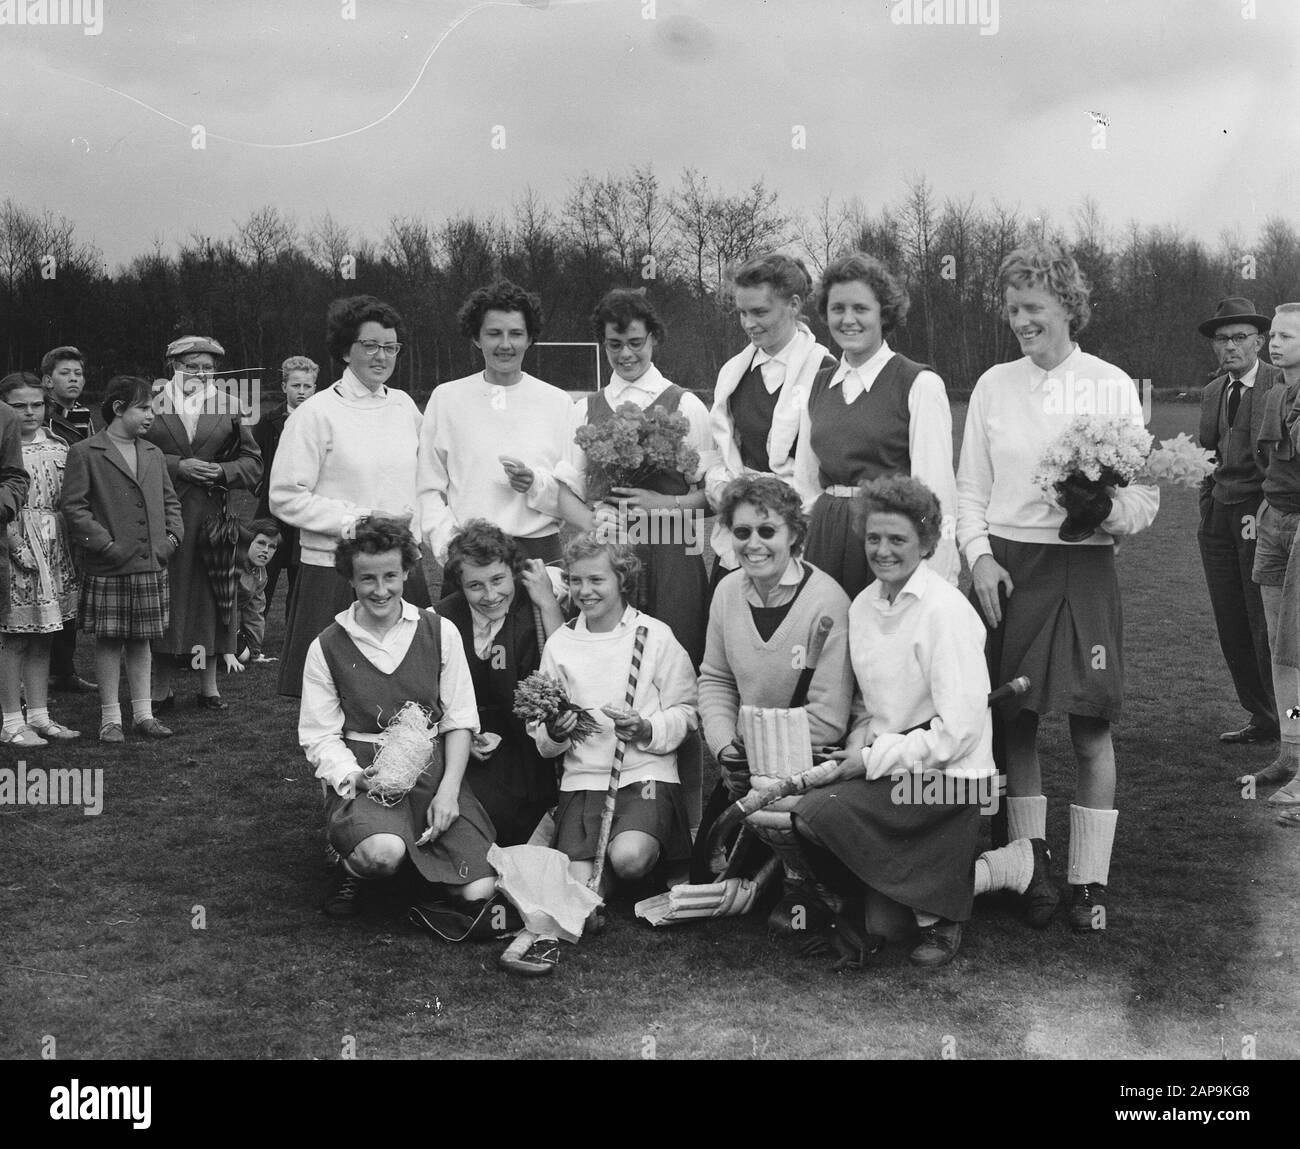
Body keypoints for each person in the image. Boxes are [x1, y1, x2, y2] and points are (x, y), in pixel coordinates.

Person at [957, 243, 1159, 932]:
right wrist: (980, 558)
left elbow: (1145, 501)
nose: (1021, 320)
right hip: (1010, 569)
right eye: (1013, 308)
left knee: (1089, 724)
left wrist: (1105, 510)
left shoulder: (1110, 383)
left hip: (1084, 569)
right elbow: (969, 493)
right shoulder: (992, 384)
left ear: (1068, 307)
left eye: (1034, 307)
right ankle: (1031, 867)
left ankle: (1088, 882)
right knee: (1016, 721)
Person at [790, 477, 1057, 968]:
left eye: (898, 540)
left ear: (928, 543)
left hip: (952, 784)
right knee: (884, 927)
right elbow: (870, 710)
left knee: (822, 812)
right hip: (896, 770)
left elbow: (959, 733)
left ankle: (950, 911)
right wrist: (857, 748)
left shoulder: (946, 611)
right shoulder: (863, 607)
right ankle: (1005, 867)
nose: (883, 551)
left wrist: (871, 759)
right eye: (874, 538)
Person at [299, 518, 497, 919]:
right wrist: (355, 777)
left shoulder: (440, 631)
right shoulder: (326, 646)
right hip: (369, 775)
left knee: (480, 891)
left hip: (432, 773)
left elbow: (459, 719)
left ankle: (408, 877)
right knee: (382, 855)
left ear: (407, 571)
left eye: (391, 575)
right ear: (351, 579)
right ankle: (354, 864)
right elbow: (319, 736)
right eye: (367, 578)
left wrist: (448, 792)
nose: (381, 589)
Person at [529, 534, 698, 969]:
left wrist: (646, 727)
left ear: (622, 578)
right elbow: (541, 735)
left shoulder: (654, 636)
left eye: (597, 579)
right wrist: (557, 732)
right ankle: (599, 884)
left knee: (629, 860)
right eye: (576, 580)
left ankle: (648, 861)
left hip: (644, 775)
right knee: (578, 891)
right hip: (584, 781)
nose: (585, 591)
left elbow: (686, 711)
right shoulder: (559, 645)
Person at [697, 473, 854, 925]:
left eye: (768, 531)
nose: (754, 544)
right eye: (742, 532)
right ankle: (774, 871)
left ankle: (809, 880)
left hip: (808, 766)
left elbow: (827, 720)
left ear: (795, 535)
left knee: (783, 893)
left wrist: (756, 751)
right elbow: (715, 680)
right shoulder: (727, 591)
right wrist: (726, 747)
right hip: (743, 765)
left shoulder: (827, 601)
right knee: (703, 872)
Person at [548, 288, 719, 668]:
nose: (626, 354)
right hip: (608, 555)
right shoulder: (584, 410)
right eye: (615, 344)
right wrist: (597, 521)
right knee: (611, 661)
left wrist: (666, 505)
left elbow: (713, 496)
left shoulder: (687, 405)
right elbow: (565, 495)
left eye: (635, 342)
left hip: (675, 551)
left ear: (654, 338)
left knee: (678, 659)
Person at [269, 296, 428, 698]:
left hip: (401, 566)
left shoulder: (405, 406)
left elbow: (426, 479)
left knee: (407, 690)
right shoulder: (316, 412)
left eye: (390, 347)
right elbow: (285, 496)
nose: (382, 356)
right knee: (333, 694)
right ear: (345, 350)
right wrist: (357, 522)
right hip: (333, 571)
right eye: (370, 345)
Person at [791, 252, 959, 597]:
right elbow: (806, 484)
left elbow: (936, 494)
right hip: (826, 538)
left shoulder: (919, 384)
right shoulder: (816, 385)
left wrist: (933, 577)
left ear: (884, 313)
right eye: (838, 309)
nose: (848, 319)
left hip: (887, 539)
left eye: (861, 309)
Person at [418, 280, 577, 569]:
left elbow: (574, 494)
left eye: (516, 334)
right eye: (494, 333)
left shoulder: (558, 402)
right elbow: (427, 488)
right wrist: (449, 545)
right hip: (469, 553)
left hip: (539, 553)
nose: (505, 345)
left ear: (530, 339)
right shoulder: (446, 398)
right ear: (477, 338)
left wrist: (535, 484)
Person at [61, 376, 183, 743]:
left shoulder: (153, 453)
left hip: (150, 563)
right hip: (109, 565)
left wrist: (171, 540)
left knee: (142, 641)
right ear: (118, 408)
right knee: (110, 641)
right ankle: (110, 719)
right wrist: (105, 545)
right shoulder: (85, 452)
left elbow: (171, 502)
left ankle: (143, 715)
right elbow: (74, 508)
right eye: (144, 408)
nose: (151, 417)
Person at [144, 336, 262, 712]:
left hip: (212, 518)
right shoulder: (149, 402)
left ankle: (209, 687)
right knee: (168, 597)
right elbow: (129, 449)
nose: (200, 373)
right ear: (172, 366)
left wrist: (222, 471)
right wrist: (178, 465)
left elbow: (253, 463)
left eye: (208, 366)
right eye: (191, 365)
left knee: (214, 598)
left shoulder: (232, 406)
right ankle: (160, 689)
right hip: (163, 513)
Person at [705, 254, 836, 588]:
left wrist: (781, 505)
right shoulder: (733, 373)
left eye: (760, 312)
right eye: (742, 313)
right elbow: (725, 455)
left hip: (802, 537)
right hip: (743, 536)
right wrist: (727, 488)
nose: (749, 323)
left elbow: (832, 468)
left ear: (793, 304)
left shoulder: (826, 370)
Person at [436, 519, 565, 845]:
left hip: (528, 745)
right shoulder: (440, 619)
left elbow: (567, 667)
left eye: (498, 580)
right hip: (465, 742)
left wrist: (548, 602)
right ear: (459, 585)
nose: (491, 595)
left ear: (513, 572)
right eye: (475, 586)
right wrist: (463, 735)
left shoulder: (535, 607)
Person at [1195, 299, 1282, 754]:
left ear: (1259, 341)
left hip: (1263, 515)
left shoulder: (1280, 384)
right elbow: (1206, 457)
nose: (1228, 347)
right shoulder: (1213, 392)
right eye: (1221, 339)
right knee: (1230, 620)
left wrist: (1269, 512)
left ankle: (1290, 719)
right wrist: (1207, 508)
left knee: (1265, 622)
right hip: (1218, 519)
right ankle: (1261, 717)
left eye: (1238, 338)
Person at [0, 373, 80, 744]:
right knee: (13, 635)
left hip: (54, 545)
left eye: (36, 404)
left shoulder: (60, 445)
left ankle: (40, 714)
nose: (29, 412)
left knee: (44, 634)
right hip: (14, 542)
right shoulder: (4, 445)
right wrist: (15, 542)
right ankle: (12, 722)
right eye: (19, 405)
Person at [1252, 304, 1300, 814]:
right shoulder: (1273, 396)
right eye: (1274, 335)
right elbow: (1267, 462)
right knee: (1277, 646)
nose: (1274, 343)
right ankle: (1290, 751)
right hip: (1273, 520)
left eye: (1287, 336)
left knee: (1298, 647)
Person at [41, 345, 97, 694]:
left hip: (74, 512)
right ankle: (41, 670)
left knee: (69, 589)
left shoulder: (82, 413)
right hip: (43, 514)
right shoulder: (36, 415)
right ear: (47, 380)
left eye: (78, 373)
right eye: (66, 373)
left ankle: (63, 670)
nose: (74, 378)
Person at [253, 356, 318, 619]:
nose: (302, 391)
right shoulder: (269, 422)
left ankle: (294, 645)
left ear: (315, 388)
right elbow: (254, 461)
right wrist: (262, 488)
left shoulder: (320, 421)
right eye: (296, 386)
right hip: (272, 514)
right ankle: (249, 640)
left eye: (307, 386)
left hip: (307, 515)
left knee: (300, 583)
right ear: (284, 387)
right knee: (261, 579)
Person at [235, 519, 279, 664]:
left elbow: (255, 612)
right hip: (205, 625)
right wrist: (227, 650)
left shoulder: (261, 574)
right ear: (248, 541)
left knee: (245, 655)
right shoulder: (232, 564)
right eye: (261, 543)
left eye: (272, 546)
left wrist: (255, 652)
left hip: (228, 626)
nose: (266, 550)